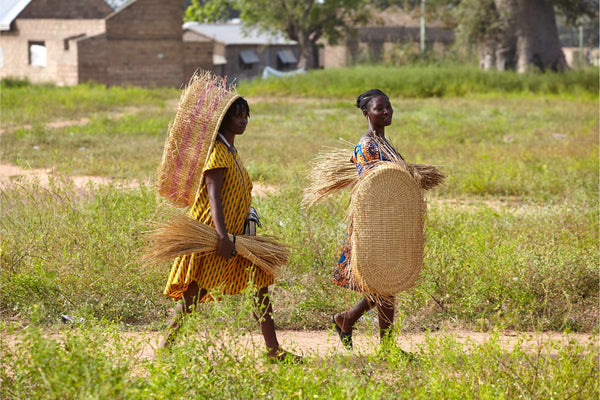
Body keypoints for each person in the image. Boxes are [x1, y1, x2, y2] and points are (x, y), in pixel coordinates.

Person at [160, 97, 300, 363]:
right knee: (194, 293)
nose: (243, 120)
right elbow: (214, 197)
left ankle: (273, 350)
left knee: (260, 287)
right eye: (237, 115)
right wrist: (222, 238)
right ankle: (166, 349)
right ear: (224, 120)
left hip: (238, 237)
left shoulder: (232, 152)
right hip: (215, 234)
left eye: (246, 115)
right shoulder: (218, 153)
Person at [331, 89, 402, 350]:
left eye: (388, 106)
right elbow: (374, 184)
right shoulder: (367, 146)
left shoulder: (385, 143)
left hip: (389, 221)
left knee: (388, 283)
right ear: (366, 114)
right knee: (385, 282)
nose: (386, 111)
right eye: (379, 108)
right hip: (373, 222)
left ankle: (347, 319)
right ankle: (384, 345)